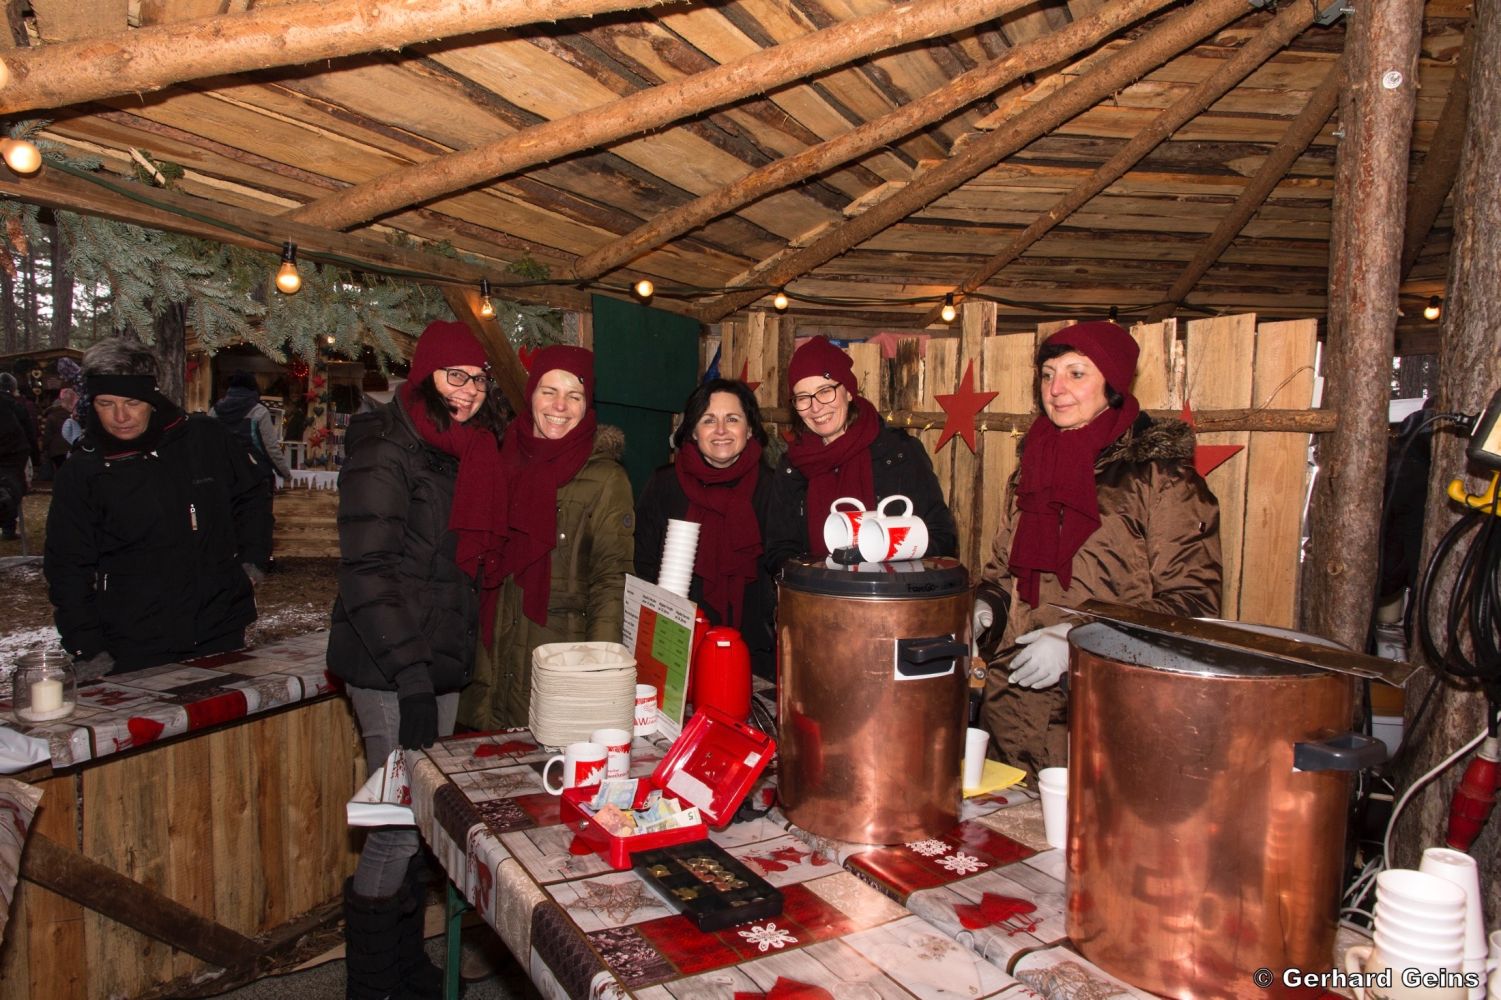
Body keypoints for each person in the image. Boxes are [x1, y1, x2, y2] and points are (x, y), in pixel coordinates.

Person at [326, 319, 509, 1000]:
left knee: (420, 819)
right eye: (454, 376)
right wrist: (410, 680)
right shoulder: (386, 447)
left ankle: (403, 967)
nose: (468, 390)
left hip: (437, 659)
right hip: (389, 667)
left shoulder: (465, 450)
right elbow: (367, 571)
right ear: (425, 376)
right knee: (398, 825)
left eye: (478, 379)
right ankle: (373, 983)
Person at [975, 321, 1222, 778]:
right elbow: (1004, 573)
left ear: (1112, 384)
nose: (1056, 389)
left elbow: (1192, 605)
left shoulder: (1160, 479)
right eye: (1047, 375)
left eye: (1076, 373)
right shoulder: (1032, 467)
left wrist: (1079, 639)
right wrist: (986, 608)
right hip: (1013, 703)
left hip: (1104, 708)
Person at [43, 339, 273, 677]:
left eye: (132, 402)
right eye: (106, 403)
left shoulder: (204, 439)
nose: (120, 416)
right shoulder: (84, 470)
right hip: (133, 639)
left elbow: (252, 495)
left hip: (219, 625)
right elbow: (67, 565)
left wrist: (252, 561)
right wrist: (87, 647)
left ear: (152, 397)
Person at [458, 344, 635, 731]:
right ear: (531, 394)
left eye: (574, 395)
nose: (560, 406)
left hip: (558, 659)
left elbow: (610, 583)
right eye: (548, 391)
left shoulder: (606, 478)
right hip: (487, 656)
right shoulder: (498, 459)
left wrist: (598, 673)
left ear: (587, 405)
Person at [764, 336, 958, 572]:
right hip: (817, 592)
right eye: (803, 398)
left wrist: (887, 554)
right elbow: (779, 550)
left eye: (825, 391)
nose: (815, 407)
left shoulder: (898, 453)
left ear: (848, 391)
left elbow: (941, 536)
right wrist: (815, 577)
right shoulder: (793, 466)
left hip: (891, 590)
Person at [635, 379, 776, 679]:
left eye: (732, 419)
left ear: (750, 429)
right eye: (709, 420)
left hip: (757, 655)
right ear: (693, 431)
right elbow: (643, 565)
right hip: (677, 648)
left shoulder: (774, 489)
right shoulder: (663, 486)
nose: (721, 430)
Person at [209, 370, 294, 485]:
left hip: (223, 475)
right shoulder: (259, 411)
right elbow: (271, 447)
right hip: (255, 476)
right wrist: (285, 473)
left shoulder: (214, 411)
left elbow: (208, 443)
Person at [0, 373, 33, 540]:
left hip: (13, 452)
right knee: (12, 488)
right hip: (14, 453)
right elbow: (29, 430)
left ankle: (8, 527)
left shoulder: (15, 406)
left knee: (9, 490)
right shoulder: (16, 406)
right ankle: (8, 528)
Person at [42, 387, 79, 473]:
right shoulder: (76, 415)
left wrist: (45, 448)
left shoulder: (52, 416)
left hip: (57, 451)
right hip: (74, 449)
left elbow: (48, 436)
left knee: (61, 473)